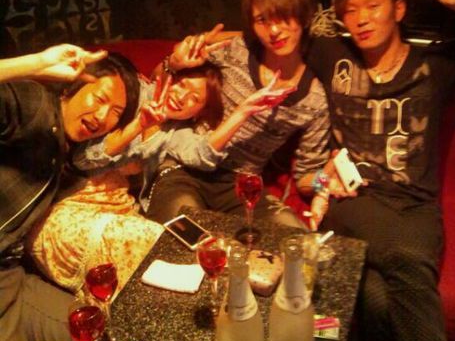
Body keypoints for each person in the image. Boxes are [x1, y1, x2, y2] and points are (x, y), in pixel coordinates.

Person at [306, 0, 455, 341]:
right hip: (353, 201)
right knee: (405, 256)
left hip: (416, 209)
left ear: (399, 9)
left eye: (372, 6)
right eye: (350, 10)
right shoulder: (333, 56)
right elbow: (271, 36)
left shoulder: (436, 66)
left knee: (379, 298)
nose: (360, 18)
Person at [29, 63, 293, 292]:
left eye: (194, 99)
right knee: (147, 243)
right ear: (170, 79)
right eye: (182, 85)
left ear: (197, 113)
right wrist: (138, 124)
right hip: (73, 194)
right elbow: (84, 158)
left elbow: (203, 154)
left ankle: (235, 281)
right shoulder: (132, 95)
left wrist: (243, 112)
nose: (182, 97)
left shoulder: (173, 133)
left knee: (164, 245)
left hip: (118, 202)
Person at [0, 44, 140, 341]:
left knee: (107, 339)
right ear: (69, 89)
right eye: (99, 99)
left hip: (11, 279)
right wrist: (36, 64)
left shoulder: (66, 149)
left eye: (115, 113)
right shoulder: (33, 105)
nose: (102, 117)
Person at [144, 0, 332, 228]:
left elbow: (305, 177)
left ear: (304, 14)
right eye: (262, 20)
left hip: (240, 185)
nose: (274, 30)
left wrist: (326, 181)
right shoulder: (237, 50)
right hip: (185, 166)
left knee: (294, 236)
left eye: (283, 17)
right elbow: (155, 85)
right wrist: (173, 63)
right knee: (185, 227)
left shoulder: (315, 99)